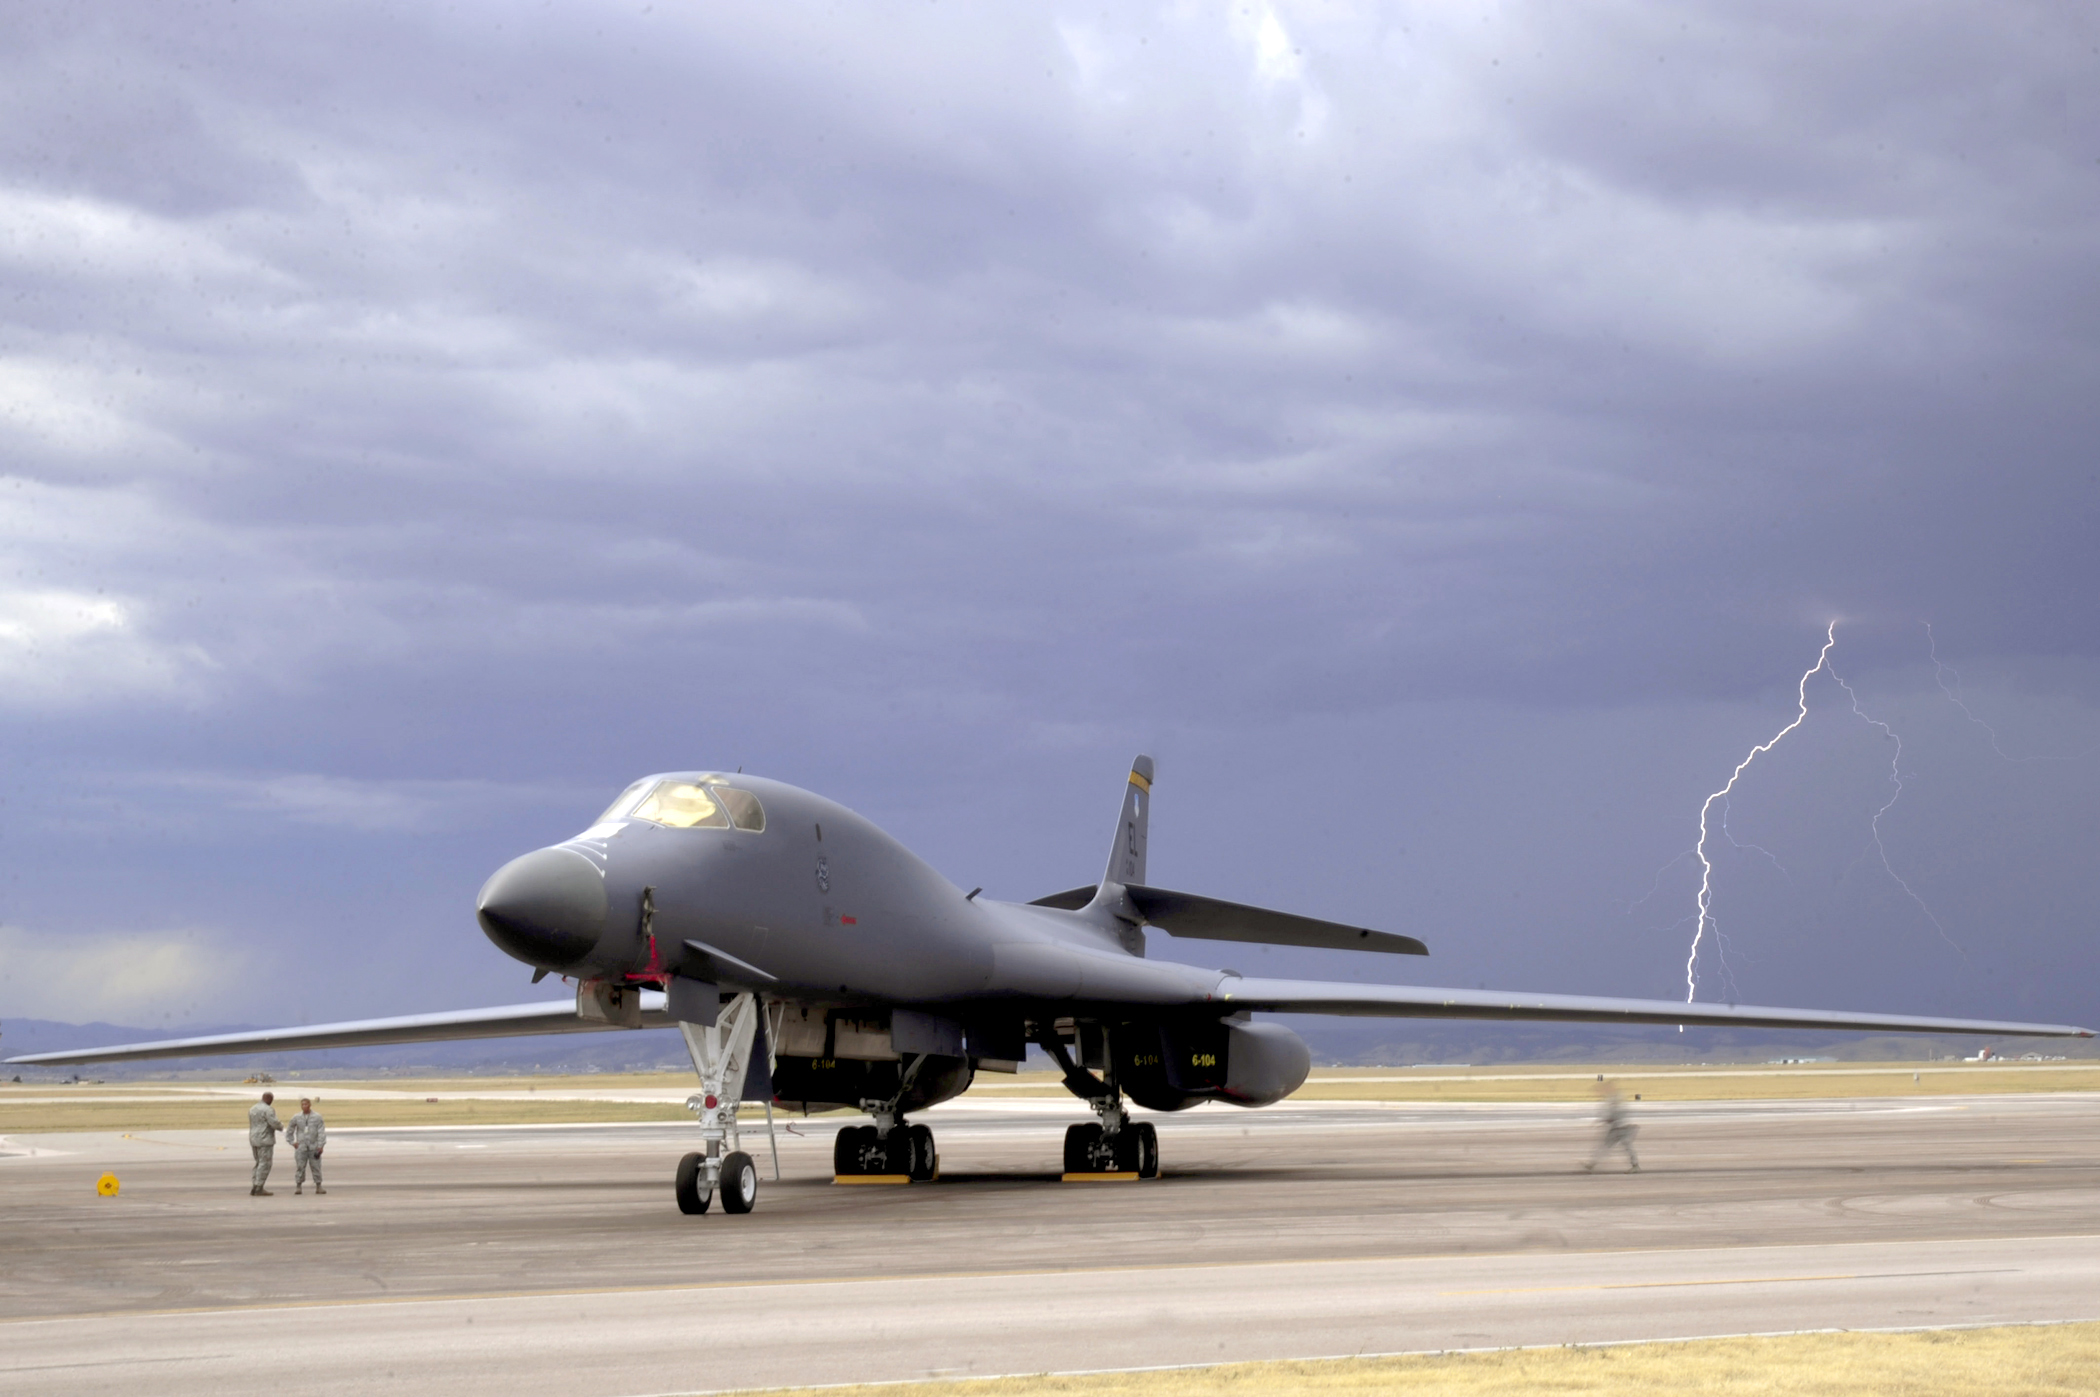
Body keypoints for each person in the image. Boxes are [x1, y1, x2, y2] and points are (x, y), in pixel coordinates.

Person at [1583, 1081, 1639, 1172]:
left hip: (1622, 1128)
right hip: (1617, 1128)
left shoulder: (1615, 1099)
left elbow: (1615, 1114)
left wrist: (1605, 1120)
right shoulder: (1613, 1099)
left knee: (1624, 1147)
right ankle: (1591, 1164)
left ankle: (1635, 1166)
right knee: (1607, 1147)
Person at [286, 1097, 327, 1195]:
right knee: (300, 1166)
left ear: (310, 1105)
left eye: (306, 1104)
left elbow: (321, 1132)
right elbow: (289, 1130)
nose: (304, 1106)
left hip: (314, 1146)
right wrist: (292, 1142)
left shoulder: (317, 1117)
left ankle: (318, 1185)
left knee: (316, 1166)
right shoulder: (296, 1117)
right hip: (301, 1147)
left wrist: (321, 1145)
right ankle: (298, 1186)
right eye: (302, 1104)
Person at [248, 1091, 283, 1195]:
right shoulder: (268, 1109)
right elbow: (274, 1122)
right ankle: (259, 1187)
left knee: (258, 1163)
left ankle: (255, 1185)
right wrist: (281, 1126)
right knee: (265, 1163)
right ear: (268, 1099)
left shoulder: (253, 1108)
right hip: (265, 1139)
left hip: (254, 1138)